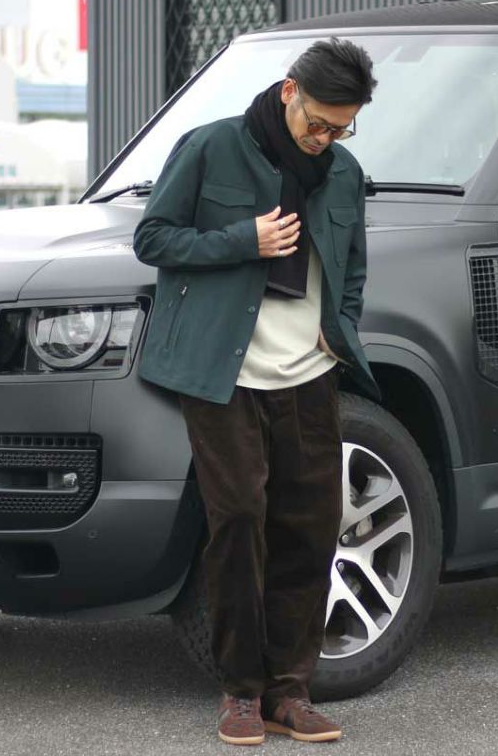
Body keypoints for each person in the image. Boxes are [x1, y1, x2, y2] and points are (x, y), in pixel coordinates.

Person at [133, 37, 379, 745]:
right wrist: (243, 239)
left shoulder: (344, 172)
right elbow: (154, 239)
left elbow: (353, 267)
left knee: (311, 525)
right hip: (225, 374)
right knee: (239, 519)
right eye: (319, 123)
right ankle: (240, 691)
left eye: (341, 129)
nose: (326, 138)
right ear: (288, 91)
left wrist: (339, 331)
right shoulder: (211, 147)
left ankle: (290, 691)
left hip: (309, 372)